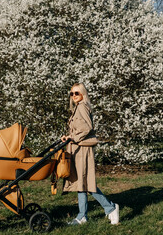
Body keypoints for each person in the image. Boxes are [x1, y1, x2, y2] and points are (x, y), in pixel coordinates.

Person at [61, 83, 119, 225]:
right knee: (82, 183)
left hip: (83, 150)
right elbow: (80, 128)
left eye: (77, 93)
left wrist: (73, 138)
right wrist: (69, 136)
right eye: (72, 93)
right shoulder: (78, 108)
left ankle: (110, 208)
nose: (74, 96)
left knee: (86, 183)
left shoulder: (81, 107)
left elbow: (87, 127)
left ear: (83, 94)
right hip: (78, 148)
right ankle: (83, 216)